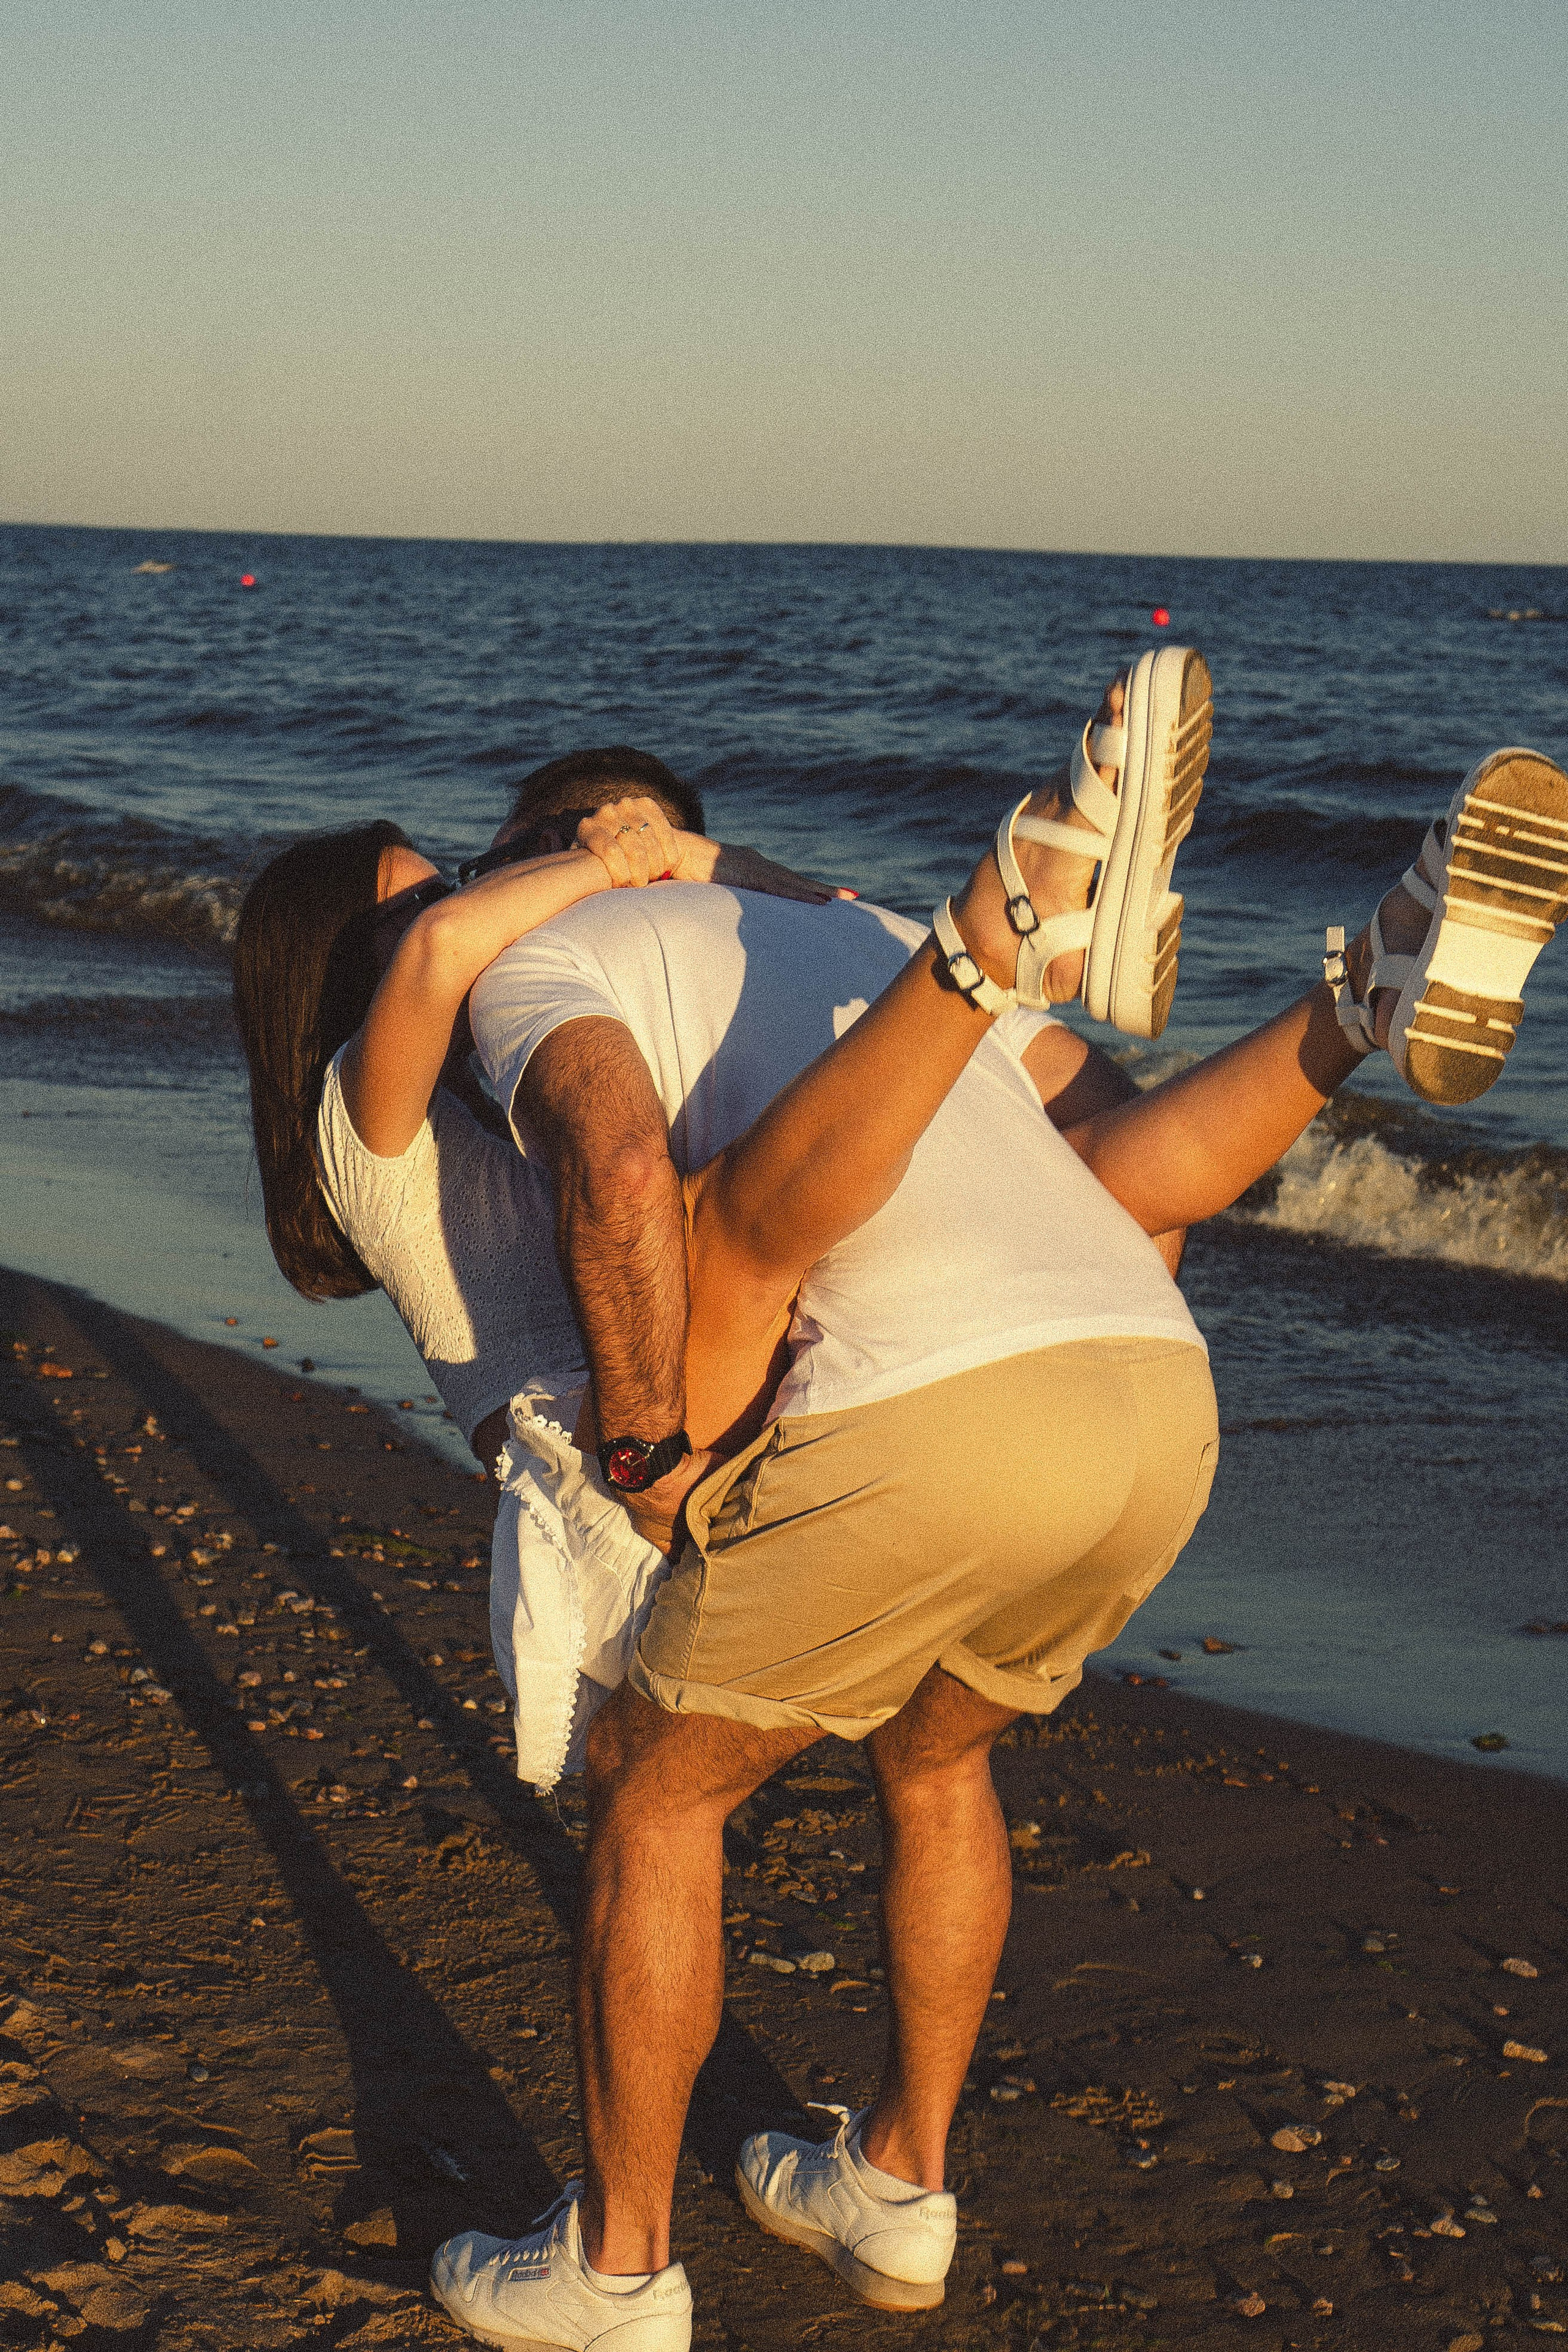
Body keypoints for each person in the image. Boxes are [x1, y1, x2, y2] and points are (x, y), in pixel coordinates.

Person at [233, 679, 1568, 2350]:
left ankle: (640, 2266)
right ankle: (1101, 956)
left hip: (735, 1451)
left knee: (706, 1776)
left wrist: (682, 869)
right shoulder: (378, 1118)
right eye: (423, 895)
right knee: (916, 1723)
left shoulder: (584, 992)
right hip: (952, 1430)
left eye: (462, 878)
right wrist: (632, 860)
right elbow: (473, 1000)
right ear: (325, 979)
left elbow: (1043, 1158)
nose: (453, 912)